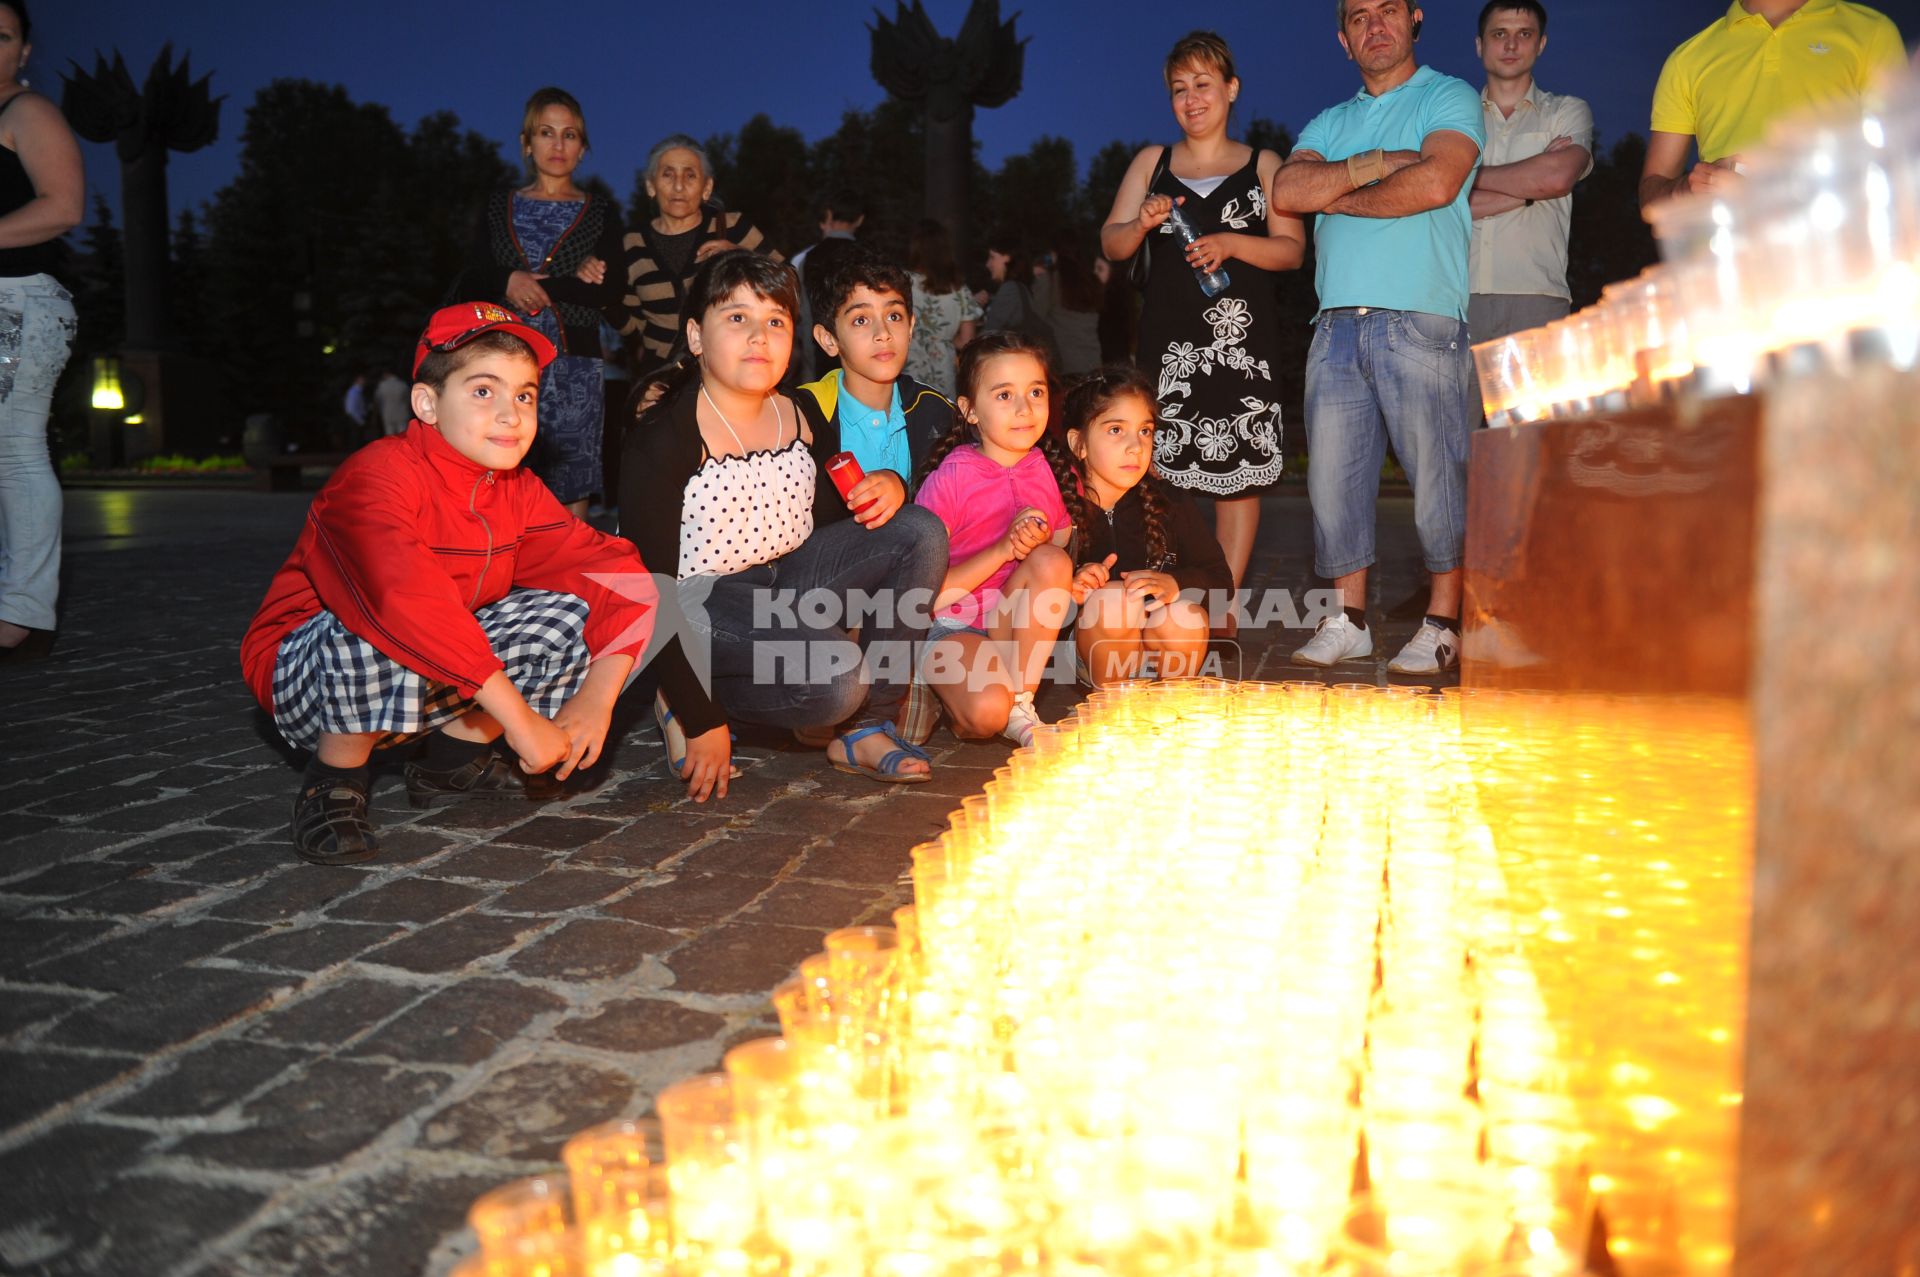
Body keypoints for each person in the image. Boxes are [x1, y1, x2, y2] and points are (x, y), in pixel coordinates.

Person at [239, 303, 658, 865]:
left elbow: (621, 575)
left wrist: (598, 698)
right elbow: (400, 596)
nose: (511, 414)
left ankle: (450, 762)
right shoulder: (379, 472)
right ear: (427, 403)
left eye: (525, 395)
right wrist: (520, 720)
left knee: (568, 611)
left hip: (435, 665)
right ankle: (334, 778)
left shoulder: (516, 489)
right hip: (308, 670)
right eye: (484, 391)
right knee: (374, 620)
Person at [620, 251, 948, 802]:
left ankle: (870, 726)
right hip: (702, 606)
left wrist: (890, 481)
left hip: (787, 579)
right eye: (737, 318)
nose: (758, 336)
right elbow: (650, 590)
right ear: (697, 336)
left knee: (918, 530)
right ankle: (688, 698)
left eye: (775, 320)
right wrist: (703, 722)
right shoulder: (664, 439)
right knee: (838, 679)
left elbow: (836, 515)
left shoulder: (798, 415)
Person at [1270, 0, 1485, 675]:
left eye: (1388, 8)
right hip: (1334, 322)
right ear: (1343, 37)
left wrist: (1335, 192)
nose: (1375, 23)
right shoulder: (1329, 120)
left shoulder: (1448, 95)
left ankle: (1444, 621)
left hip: (1421, 316)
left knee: (1436, 480)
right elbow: (1287, 189)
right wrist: (1372, 166)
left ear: (1415, 18)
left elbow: (1436, 179)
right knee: (1334, 482)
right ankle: (1348, 620)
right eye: (1358, 15)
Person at [1100, 30, 1306, 614]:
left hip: (1242, 347)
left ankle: (1219, 608)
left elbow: (1291, 251)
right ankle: (1167, 601)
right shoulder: (1151, 163)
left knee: (1239, 481)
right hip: (1169, 350)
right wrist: (1139, 223)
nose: (1192, 99)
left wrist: (1233, 245)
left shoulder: (1265, 163)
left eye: (1204, 85)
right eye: (1179, 88)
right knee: (1162, 479)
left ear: (1231, 89)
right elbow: (1113, 245)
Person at [913, 330, 1092, 748]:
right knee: (984, 716)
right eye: (1004, 395)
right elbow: (923, 596)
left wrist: (1074, 576)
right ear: (970, 411)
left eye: (1035, 392)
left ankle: (1021, 701)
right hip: (951, 623)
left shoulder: (1043, 466)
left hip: (1007, 627)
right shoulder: (953, 478)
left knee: (1052, 561)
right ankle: (945, 689)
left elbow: (1056, 553)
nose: (1025, 408)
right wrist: (1003, 548)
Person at [454, 86, 626, 517]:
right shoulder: (499, 206)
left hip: (575, 371)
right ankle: (501, 580)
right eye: (546, 133)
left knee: (572, 482)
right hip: (500, 366)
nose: (558, 144)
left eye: (570, 135)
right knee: (499, 475)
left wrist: (547, 285)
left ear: (583, 149)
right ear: (526, 143)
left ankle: (566, 581)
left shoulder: (601, 213)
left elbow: (610, 291)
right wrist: (506, 278)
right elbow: (469, 277)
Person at [1639, 0, 1904, 212]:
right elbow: (1650, 201)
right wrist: (1688, 189)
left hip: (1833, 264)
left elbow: (1899, 169)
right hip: (1723, 264)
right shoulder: (1687, 60)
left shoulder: (1870, 32)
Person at [0, 0, 83, 664]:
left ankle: (22, 614)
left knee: (16, 450)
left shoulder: (26, 112)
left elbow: (62, 205)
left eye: (0, 37)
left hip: (19, 302)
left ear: (24, 50)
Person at [1063, 367, 1229, 687]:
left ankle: (1173, 708)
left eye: (1145, 431)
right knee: (1115, 603)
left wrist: (1175, 584)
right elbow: (1027, 598)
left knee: (1184, 616)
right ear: (1079, 443)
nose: (1135, 446)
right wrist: (1071, 586)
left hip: (1157, 648)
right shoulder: (1060, 506)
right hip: (1092, 647)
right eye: (1115, 430)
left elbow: (1221, 580)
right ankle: (1111, 709)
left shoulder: (1169, 501)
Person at [1467, 0, 1594, 344]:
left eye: (1524, 34)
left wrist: (1467, 178)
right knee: (1458, 402)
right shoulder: (1454, 121)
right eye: (1499, 34)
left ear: (1541, 44)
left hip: (1539, 300)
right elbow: (1444, 202)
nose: (1511, 45)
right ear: (1480, 45)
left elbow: (1556, 178)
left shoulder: (1567, 112)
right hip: (1457, 302)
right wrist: (1530, 188)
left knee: (1535, 402)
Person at [796, 245, 956, 501]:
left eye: (894, 316)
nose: (883, 333)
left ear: (911, 326)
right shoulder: (805, 417)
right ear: (828, 339)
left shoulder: (936, 411)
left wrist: (902, 490)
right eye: (861, 320)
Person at [620, 134, 780, 375]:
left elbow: (787, 278)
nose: (678, 185)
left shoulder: (733, 227)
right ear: (651, 186)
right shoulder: (631, 242)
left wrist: (741, 255)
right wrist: (648, 346)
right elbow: (624, 306)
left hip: (726, 372)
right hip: (658, 377)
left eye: (690, 175)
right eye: (667, 174)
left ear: (707, 188)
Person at [791, 190, 865, 383]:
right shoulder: (868, 256)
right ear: (859, 220)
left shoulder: (807, 258)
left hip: (817, 353)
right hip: (860, 351)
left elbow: (801, 311)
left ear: (829, 215)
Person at [903, 218, 980, 400]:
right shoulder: (960, 289)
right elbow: (966, 341)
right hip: (943, 368)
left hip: (907, 364)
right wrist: (943, 338)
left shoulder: (901, 284)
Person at [1032, 236, 1103, 376]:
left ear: (1054, 255)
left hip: (1064, 365)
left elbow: (1035, 319)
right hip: (1092, 361)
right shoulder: (1092, 282)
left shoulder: (1051, 281)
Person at [374, 368, 409, 437]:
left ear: (386, 374)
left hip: (387, 414)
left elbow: (377, 400)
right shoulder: (402, 385)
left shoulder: (382, 386)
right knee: (403, 436)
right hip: (402, 414)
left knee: (389, 436)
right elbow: (408, 400)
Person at [342, 373, 371, 442]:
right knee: (356, 439)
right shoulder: (353, 392)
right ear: (357, 380)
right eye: (362, 380)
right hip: (355, 419)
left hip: (357, 419)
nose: (364, 381)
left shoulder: (358, 391)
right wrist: (360, 421)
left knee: (358, 439)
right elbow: (350, 409)